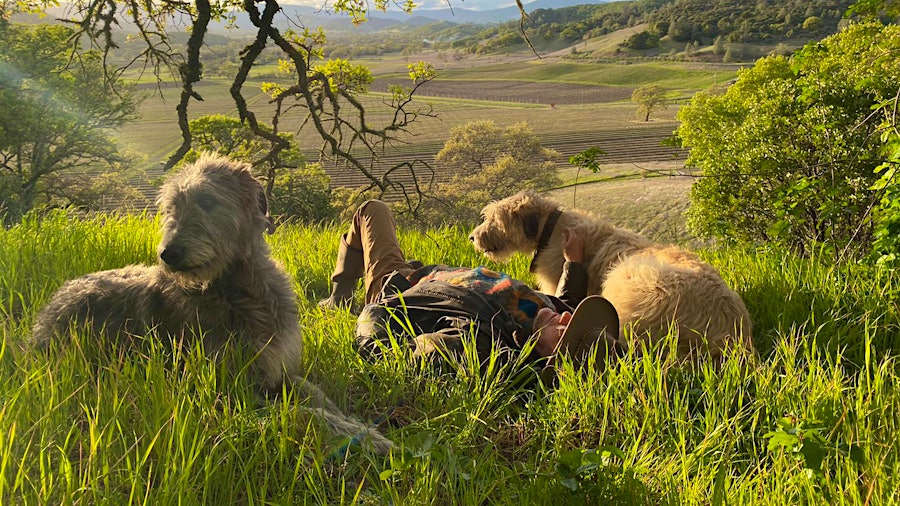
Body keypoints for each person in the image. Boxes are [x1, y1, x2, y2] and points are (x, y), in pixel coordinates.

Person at [319, 200, 623, 380]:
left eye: (566, 332)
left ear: (548, 358)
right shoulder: (548, 316)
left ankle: (340, 297)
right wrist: (574, 262)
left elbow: (386, 352)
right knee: (373, 209)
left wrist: (376, 309)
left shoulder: (481, 348)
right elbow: (565, 301)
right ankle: (340, 293)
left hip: (399, 283)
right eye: (575, 320)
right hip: (433, 273)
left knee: (371, 209)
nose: (567, 317)